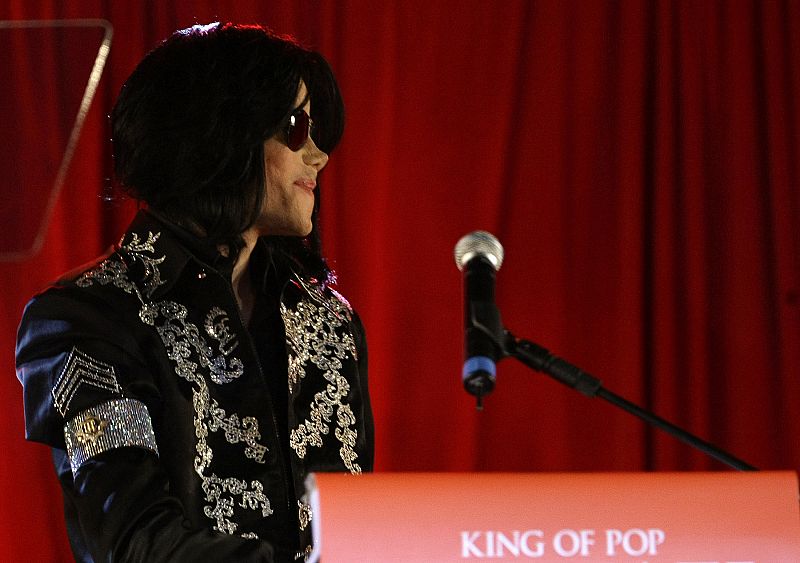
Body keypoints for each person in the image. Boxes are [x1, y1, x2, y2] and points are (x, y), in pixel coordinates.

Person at [15, 22, 373, 562]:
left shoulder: (327, 320)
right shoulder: (86, 317)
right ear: (219, 134)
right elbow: (136, 542)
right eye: (296, 127)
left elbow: (356, 533)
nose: (318, 154)